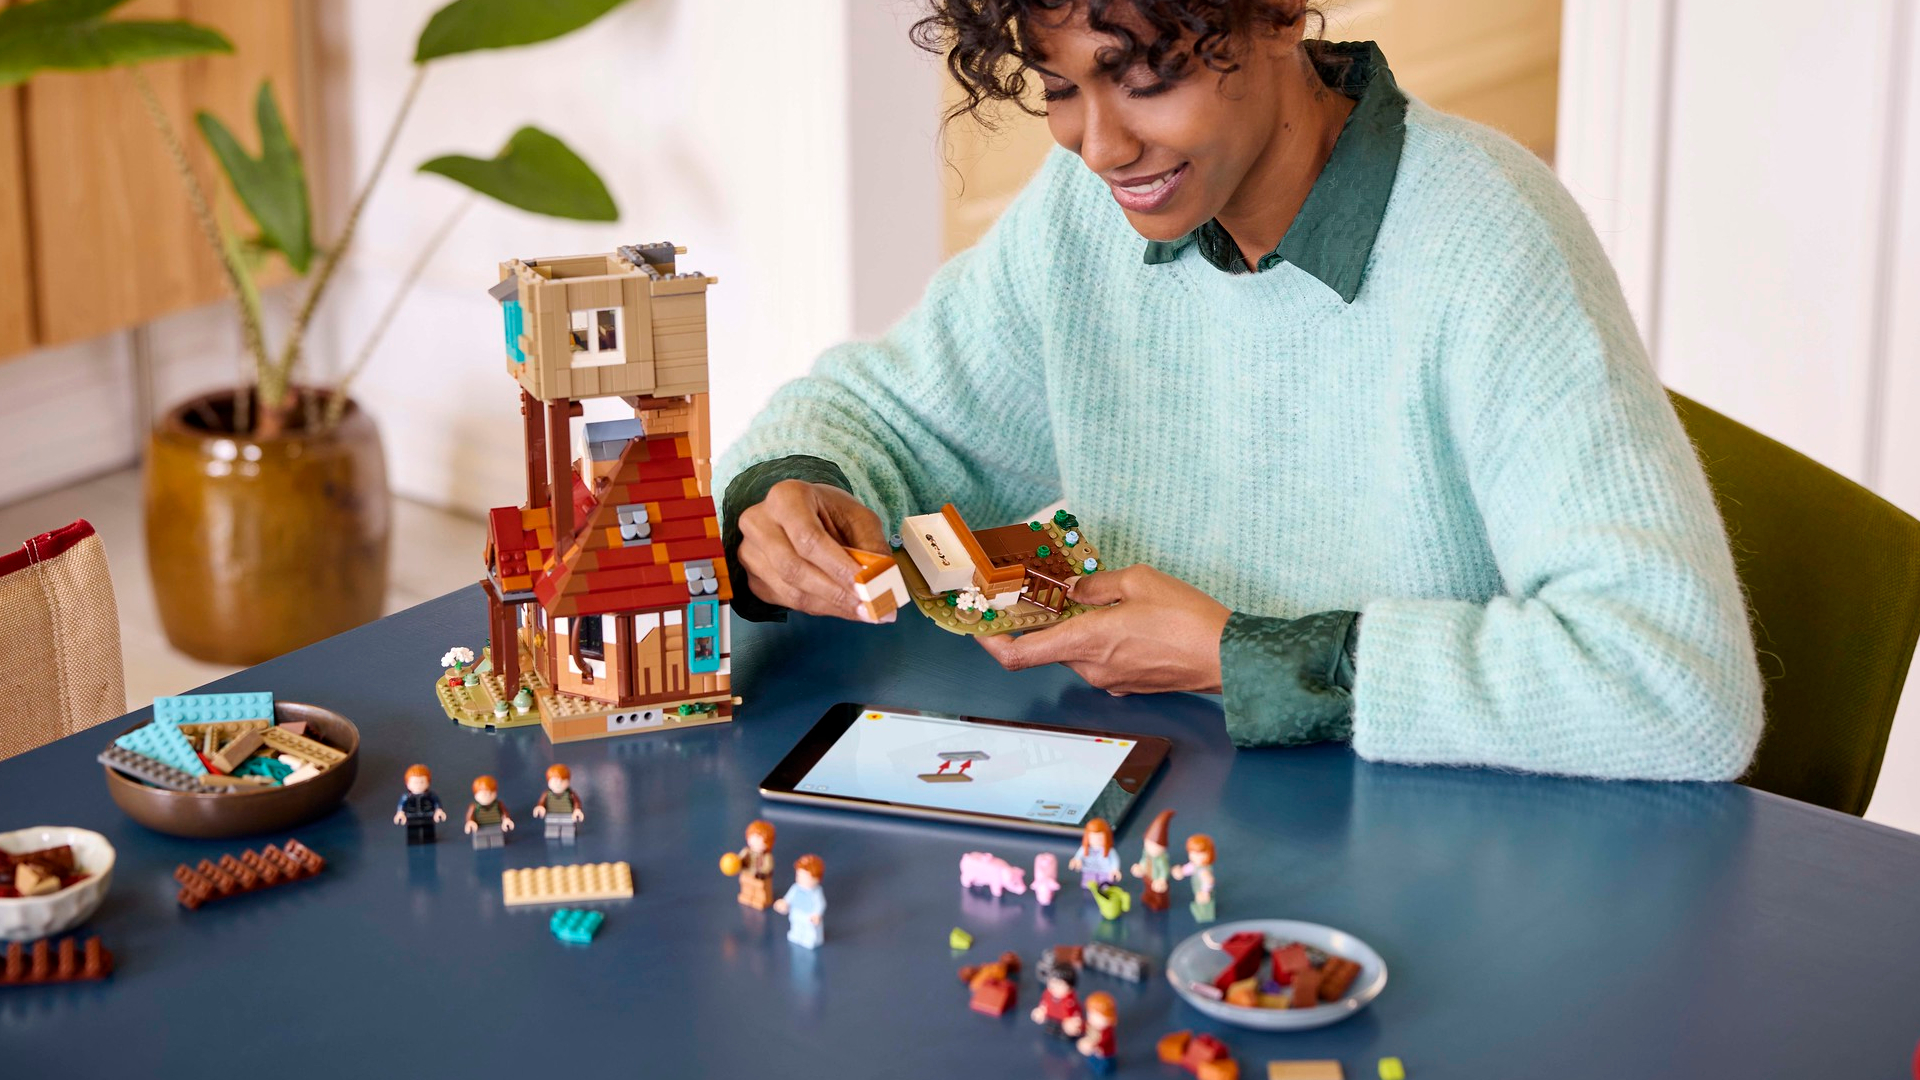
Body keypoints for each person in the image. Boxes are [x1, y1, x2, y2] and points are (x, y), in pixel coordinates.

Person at [714, 0, 1763, 782]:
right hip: (1183, 825)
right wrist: (794, 488)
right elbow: (885, 417)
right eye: (1063, 87)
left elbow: (1674, 681)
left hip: (1448, 868)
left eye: (1144, 77)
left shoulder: (1490, 242)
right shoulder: (1086, 220)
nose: (1102, 145)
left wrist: (1241, 657)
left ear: (1270, 17)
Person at [773, 854, 827, 948]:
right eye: (799, 875)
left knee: (810, 931)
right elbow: (788, 898)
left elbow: (820, 904)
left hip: (809, 917)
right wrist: (783, 903)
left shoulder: (816, 893)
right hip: (796, 913)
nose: (801, 879)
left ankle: (811, 940)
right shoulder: (795, 888)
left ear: (816, 879)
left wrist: (816, 914)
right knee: (796, 927)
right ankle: (796, 935)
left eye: (805, 877)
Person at [531, 763, 585, 843]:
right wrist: (540, 807)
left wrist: (577, 810)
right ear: (548, 782)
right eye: (554, 781)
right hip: (551, 816)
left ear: (568, 782)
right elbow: (541, 802)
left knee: (568, 831)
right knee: (551, 832)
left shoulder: (570, 794)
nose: (558, 784)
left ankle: (567, 832)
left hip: (568, 816)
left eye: (562, 781)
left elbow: (577, 803)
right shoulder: (547, 794)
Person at [392, 764, 445, 845]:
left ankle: (429, 840)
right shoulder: (406, 797)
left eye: (422, 782)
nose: (418, 785)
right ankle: (414, 840)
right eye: (415, 782)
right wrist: (400, 813)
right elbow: (401, 805)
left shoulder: (430, 795)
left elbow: (436, 803)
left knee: (428, 832)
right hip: (411, 816)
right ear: (407, 784)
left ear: (428, 783)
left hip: (428, 815)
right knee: (413, 833)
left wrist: (439, 811)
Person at [463, 775, 515, 849]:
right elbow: (470, 816)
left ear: (495, 793)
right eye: (483, 794)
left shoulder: (498, 804)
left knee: (497, 841)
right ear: (476, 795)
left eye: (490, 794)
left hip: (496, 826)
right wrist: (470, 822)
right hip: (480, 827)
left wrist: (506, 820)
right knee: (481, 842)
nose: (486, 797)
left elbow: (504, 813)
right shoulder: (474, 806)